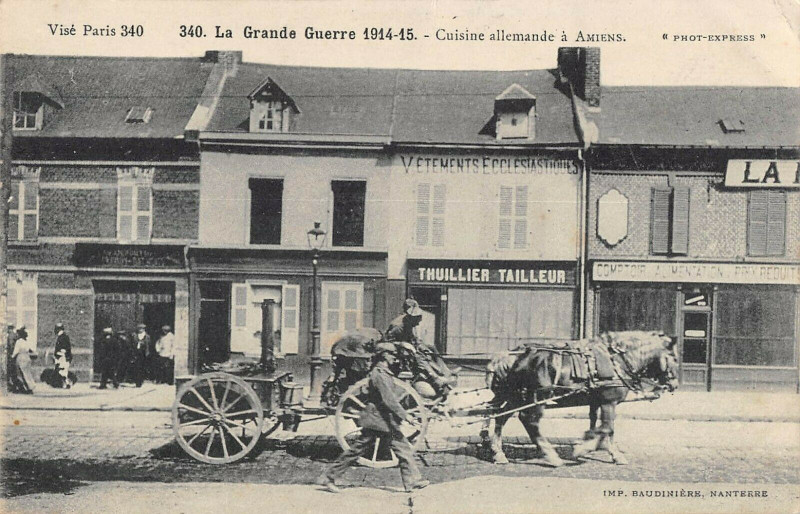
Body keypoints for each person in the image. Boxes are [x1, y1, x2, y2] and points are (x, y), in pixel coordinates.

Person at [318, 342, 429, 494]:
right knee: (356, 451)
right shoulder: (378, 375)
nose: (394, 358)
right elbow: (389, 399)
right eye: (391, 355)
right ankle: (329, 477)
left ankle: (412, 481)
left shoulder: (384, 373)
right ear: (384, 356)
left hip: (385, 421)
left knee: (403, 449)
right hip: (377, 420)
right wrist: (406, 415)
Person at [385, 298, 454, 396]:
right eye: (416, 318)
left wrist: (423, 347)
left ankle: (444, 371)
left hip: (407, 348)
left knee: (431, 348)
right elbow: (387, 342)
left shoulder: (408, 323)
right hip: (396, 353)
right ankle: (435, 377)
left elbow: (413, 339)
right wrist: (402, 344)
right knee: (418, 356)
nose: (417, 322)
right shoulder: (398, 325)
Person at [11, 326, 36, 394]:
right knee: (27, 373)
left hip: (21, 357)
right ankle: (30, 386)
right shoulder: (26, 341)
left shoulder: (18, 342)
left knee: (21, 373)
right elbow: (30, 349)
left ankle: (25, 388)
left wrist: (12, 356)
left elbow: (16, 351)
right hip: (27, 357)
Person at [53, 322, 73, 389]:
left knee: (62, 370)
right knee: (61, 370)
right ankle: (61, 383)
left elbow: (64, 349)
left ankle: (66, 383)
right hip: (62, 357)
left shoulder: (63, 337)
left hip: (63, 357)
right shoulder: (62, 336)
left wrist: (58, 354)